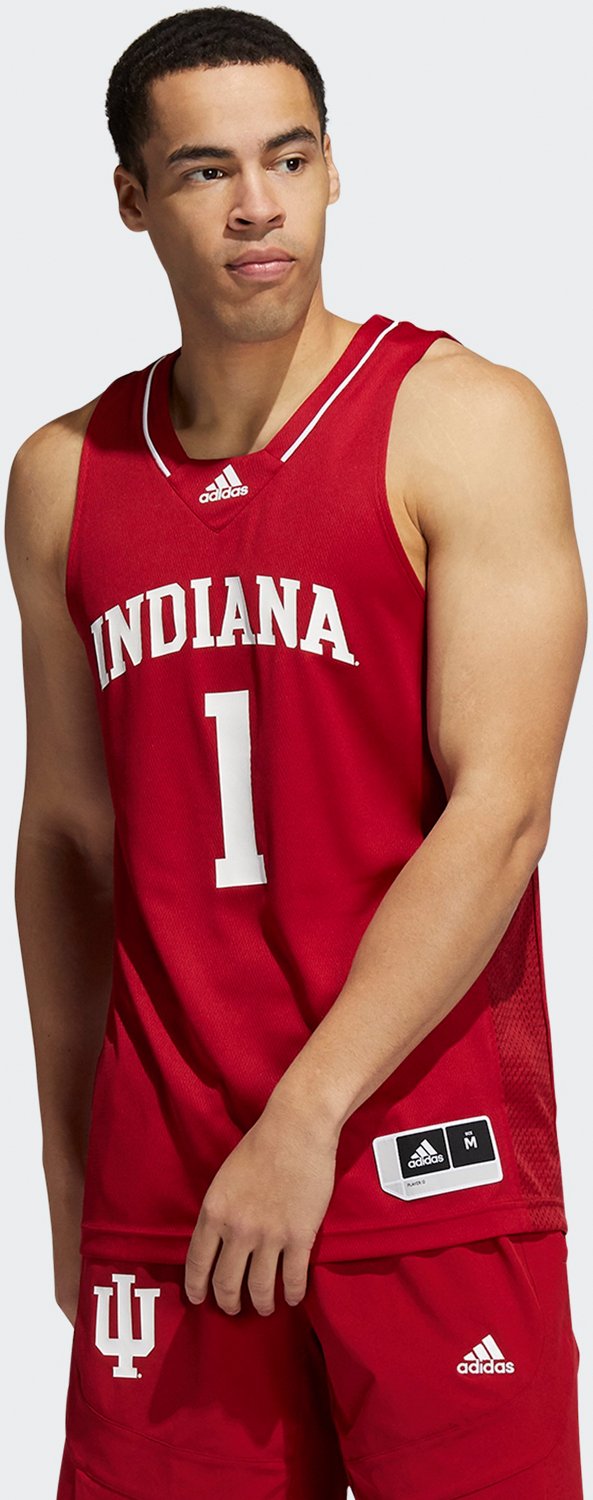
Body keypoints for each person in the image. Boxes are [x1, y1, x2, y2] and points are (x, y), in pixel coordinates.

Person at [5, 7, 587, 1498]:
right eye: (205, 170)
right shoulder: (65, 476)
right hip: (170, 1181)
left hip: (418, 1158)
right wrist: (69, 1164)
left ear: (334, 170)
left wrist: (306, 1118)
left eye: (289, 158)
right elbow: (66, 836)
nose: (257, 206)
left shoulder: (462, 422)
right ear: (131, 198)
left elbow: (501, 815)